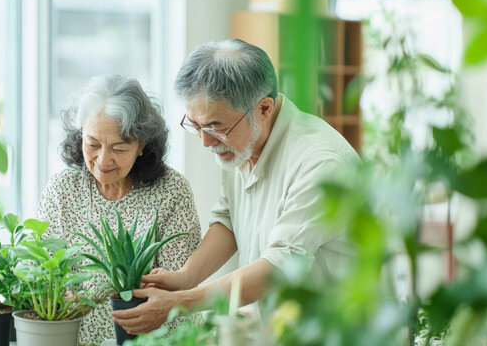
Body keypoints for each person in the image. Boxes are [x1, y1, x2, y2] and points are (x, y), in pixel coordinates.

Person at [111, 39, 360, 334]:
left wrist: (179, 302)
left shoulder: (319, 162)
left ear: (264, 108)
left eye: (216, 127)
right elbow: (228, 219)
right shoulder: (241, 144)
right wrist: (185, 276)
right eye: (195, 125)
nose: (205, 141)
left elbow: (280, 268)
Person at [36, 74, 201, 344]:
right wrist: (54, 295)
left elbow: (178, 288)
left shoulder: (172, 191)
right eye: (92, 144)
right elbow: (38, 267)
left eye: (119, 148)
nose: (103, 159)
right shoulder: (61, 189)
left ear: (142, 145)